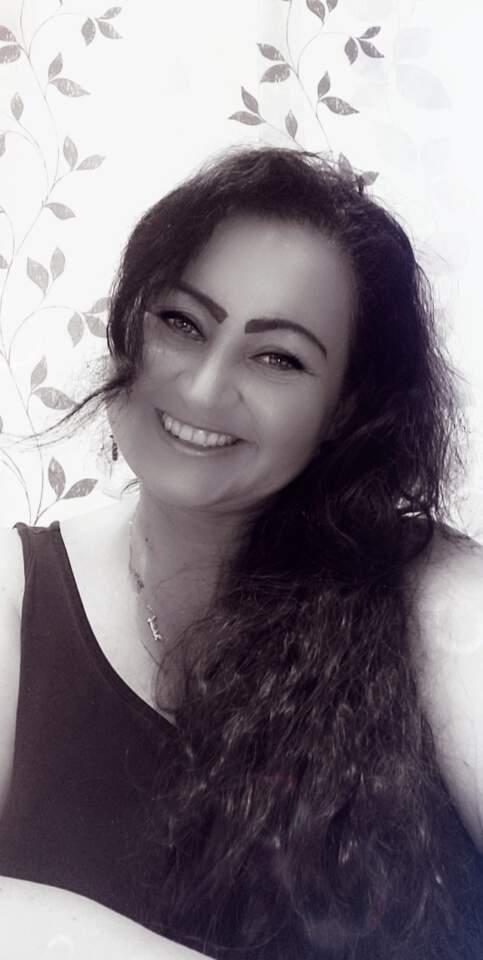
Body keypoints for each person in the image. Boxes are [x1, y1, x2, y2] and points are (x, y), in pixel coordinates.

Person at [0, 144, 482, 960]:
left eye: (277, 357)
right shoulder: (19, 592)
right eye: (181, 323)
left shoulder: (437, 598)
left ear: (343, 409)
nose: (201, 388)